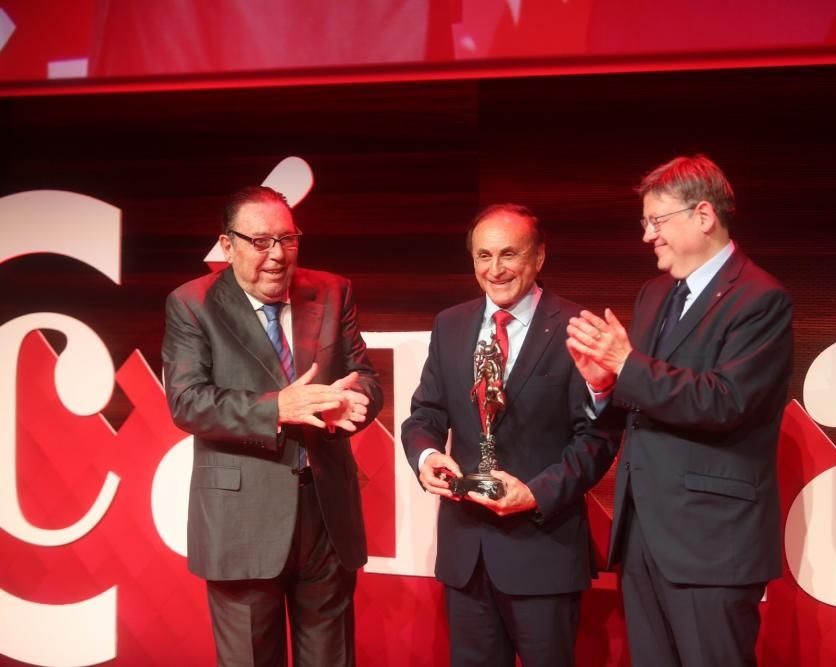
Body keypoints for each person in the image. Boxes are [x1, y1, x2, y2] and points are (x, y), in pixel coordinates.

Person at [566, 155, 793, 666]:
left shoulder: (760, 299)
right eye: (645, 223)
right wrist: (604, 384)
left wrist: (625, 364)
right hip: (644, 529)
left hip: (711, 540)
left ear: (704, 216)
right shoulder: (654, 295)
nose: (648, 235)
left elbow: (725, 400)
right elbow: (644, 393)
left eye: (657, 221)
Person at [162, 186, 383, 666]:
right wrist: (277, 408)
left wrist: (351, 399)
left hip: (325, 513)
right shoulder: (192, 304)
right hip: (242, 521)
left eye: (288, 239)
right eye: (261, 242)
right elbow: (186, 402)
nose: (277, 255)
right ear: (227, 244)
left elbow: (366, 377)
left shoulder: (331, 290)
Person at [401, 204, 619, 666]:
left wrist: (535, 494)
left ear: (538, 257)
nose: (494, 270)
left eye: (508, 255)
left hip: (543, 553)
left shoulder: (576, 328)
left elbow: (597, 438)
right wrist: (426, 458)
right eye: (483, 256)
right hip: (466, 557)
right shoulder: (451, 324)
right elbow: (425, 414)